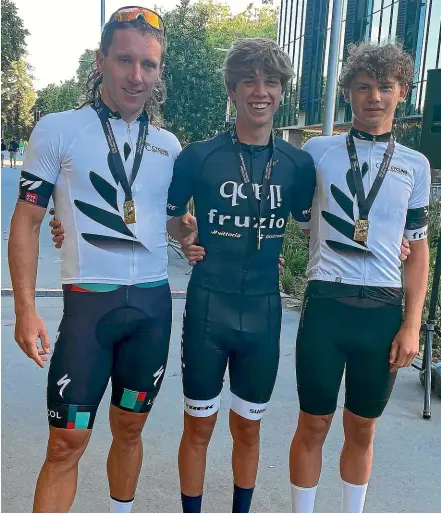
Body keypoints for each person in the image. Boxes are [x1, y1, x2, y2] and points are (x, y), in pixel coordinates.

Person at [8, 7, 192, 513]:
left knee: (130, 431)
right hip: (88, 313)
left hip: (153, 312)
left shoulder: (169, 146)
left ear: (160, 71)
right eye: (125, 60)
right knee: (65, 443)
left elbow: (170, 222)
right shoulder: (59, 129)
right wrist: (26, 309)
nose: (137, 76)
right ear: (101, 61)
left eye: (149, 65)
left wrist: (188, 232)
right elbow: (24, 223)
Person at [165, 38, 317, 513]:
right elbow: (170, 217)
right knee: (200, 426)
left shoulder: (299, 164)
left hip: (264, 311)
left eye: (271, 81)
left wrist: (391, 238)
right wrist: (183, 235)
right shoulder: (199, 156)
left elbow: (315, 219)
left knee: (249, 427)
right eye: (248, 79)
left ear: (282, 92)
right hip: (209, 306)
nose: (260, 90)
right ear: (232, 89)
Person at [289, 42, 430, 513]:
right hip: (327, 305)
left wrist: (412, 324)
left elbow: (418, 249)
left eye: (385, 87)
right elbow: (302, 217)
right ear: (348, 92)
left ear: (402, 92)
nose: (374, 97)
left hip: (384, 314)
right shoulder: (317, 151)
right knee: (313, 424)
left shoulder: (416, 165)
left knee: (362, 428)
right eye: (363, 87)